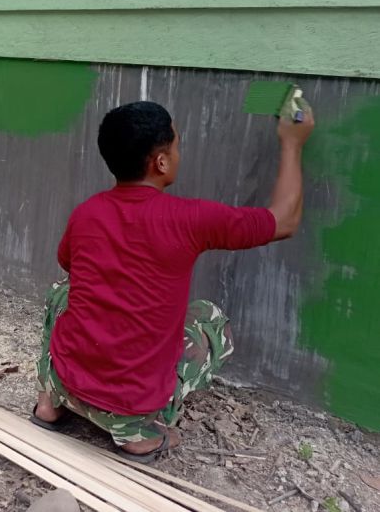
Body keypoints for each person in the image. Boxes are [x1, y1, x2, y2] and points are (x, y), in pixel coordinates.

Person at [31, 99, 314, 463]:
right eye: (177, 145)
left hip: (69, 382)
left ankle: (50, 403)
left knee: (62, 291)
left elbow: (68, 264)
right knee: (210, 319)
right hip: (130, 408)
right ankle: (139, 435)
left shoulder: (86, 212)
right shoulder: (190, 219)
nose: (180, 153)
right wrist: (292, 143)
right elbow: (284, 221)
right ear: (161, 162)